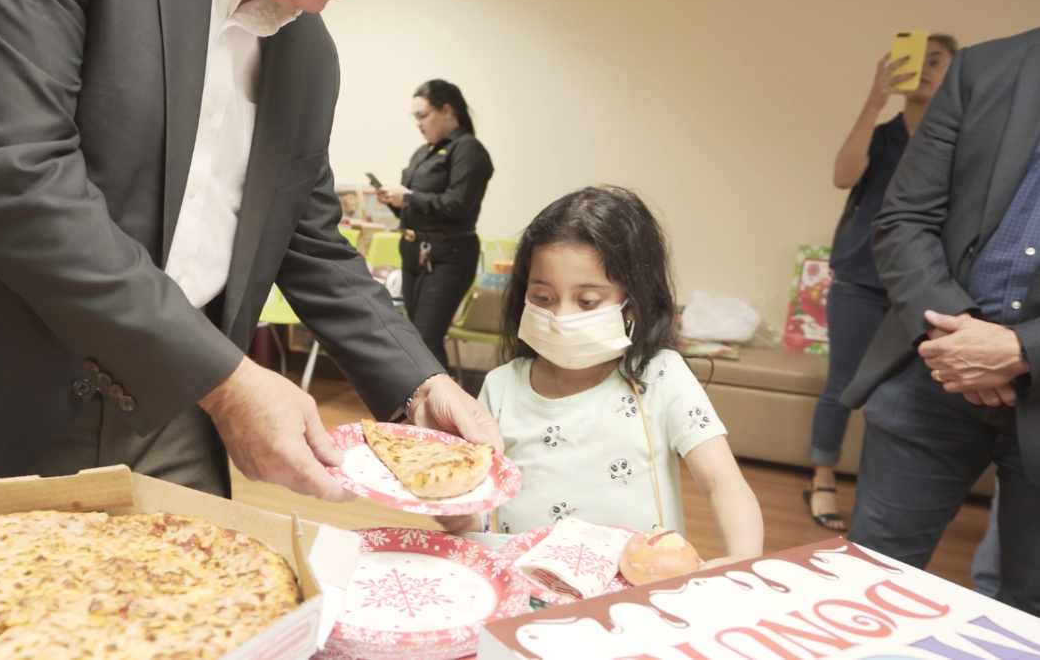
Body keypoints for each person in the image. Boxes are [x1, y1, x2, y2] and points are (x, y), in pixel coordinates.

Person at [0, 0, 501, 522]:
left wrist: (418, 380)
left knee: (176, 615)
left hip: (173, 409)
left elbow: (306, 234)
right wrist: (227, 380)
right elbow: (11, 176)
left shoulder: (309, 55)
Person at [441, 186, 763, 569]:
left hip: (632, 592)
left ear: (633, 302)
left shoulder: (659, 376)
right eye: (543, 297)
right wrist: (462, 517)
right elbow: (481, 508)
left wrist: (743, 559)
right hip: (525, 586)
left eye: (587, 301)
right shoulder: (500, 386)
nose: (561, 316)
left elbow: (721, 481)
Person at [842, 27, 1040, 617]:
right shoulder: (985, 68)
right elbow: (902, 217)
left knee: (1028, 609)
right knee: (866, 590)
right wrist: (959, 339)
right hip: (931, 377)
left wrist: (1022, 348)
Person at [805, 35, 957, 531]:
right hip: (859, 279)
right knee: (842, 385)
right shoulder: (885, 132)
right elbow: (842, 176)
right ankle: (823, 478)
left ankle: (879, 488)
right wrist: (874, 99)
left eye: (937, 61)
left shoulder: (958, 140)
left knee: (900, 398)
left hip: (921, 289)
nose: (925, 69)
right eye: (918, 59)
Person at [376, 80, 494, 368]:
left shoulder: (468, 150)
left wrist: (410, 197)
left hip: (448, 255)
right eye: (414, 116)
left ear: (446, 110)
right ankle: (422, 408)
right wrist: (397, 203)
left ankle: (445, 410)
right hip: (415, 250)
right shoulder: (423, 152)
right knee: (415, 337)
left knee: (427, 339)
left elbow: (458, 204)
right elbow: (418, 209)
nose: (417, 123)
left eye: (422, 115)